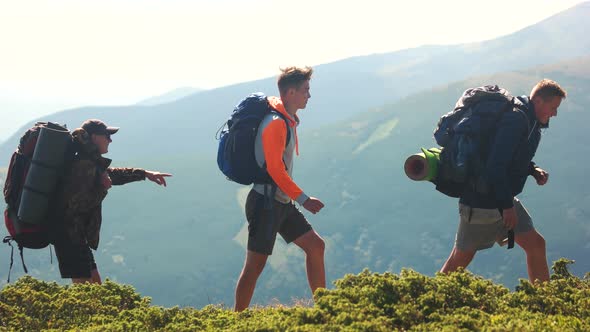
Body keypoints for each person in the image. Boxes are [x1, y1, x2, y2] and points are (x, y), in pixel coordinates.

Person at [440, 79, 567, 283]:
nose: (554, 113)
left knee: (536, 244)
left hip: (501, 197)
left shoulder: (529, 120)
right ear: (539, 101)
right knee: (460, 259)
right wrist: (507, 206)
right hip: (481, 202)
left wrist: (533, 170)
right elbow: (495, 165)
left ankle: (543, 302)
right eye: (553, 107)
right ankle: (427, 296)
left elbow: (513, 158)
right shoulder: (516, 120)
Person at [234, 66, 326, 311]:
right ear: (291, 92)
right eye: (306, 90)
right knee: (254, 266)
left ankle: (326, 309)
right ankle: (235, 321)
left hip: (280, 202)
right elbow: (275, 170)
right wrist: (304, 199)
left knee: (316, 247)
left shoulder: (286, 119)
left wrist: (294, 198)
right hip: (266, 204)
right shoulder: (276, 123)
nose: (309, 95)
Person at [52, 119, 172, 284]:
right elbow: (74, 206)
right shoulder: (84, 165)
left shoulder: (90, 160)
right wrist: (103, 188)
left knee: (95, 286)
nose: (110, 140)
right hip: (69, 236)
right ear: (94, 137)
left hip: (76, 236)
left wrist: (145, 173)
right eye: (106, 136)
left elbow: (112, 174)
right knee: (86, 293)